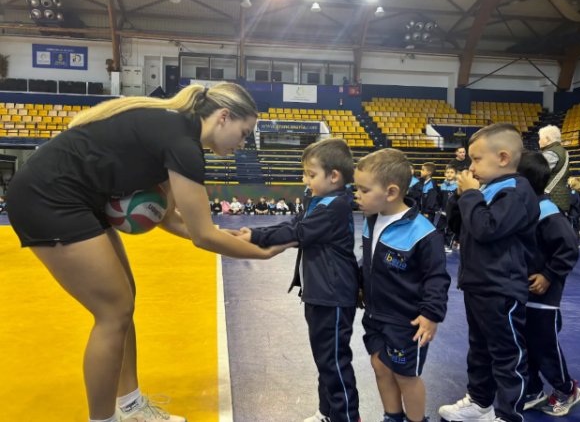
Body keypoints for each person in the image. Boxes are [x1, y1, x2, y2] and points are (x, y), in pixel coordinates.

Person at [5, 83, 292, 422]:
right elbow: (201, 236)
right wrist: (261, 253)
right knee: (113, 311)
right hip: (48, 198)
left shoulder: (175, 129)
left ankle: (130, 406)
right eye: (244, 134)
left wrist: (225, 235)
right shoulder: (183, 144)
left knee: (124, 302)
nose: (243, 144)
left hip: (75, 197)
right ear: (224, 117)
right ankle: (103, 420)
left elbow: (171, 220)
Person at [238, 138, 361, 422]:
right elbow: (293, 225)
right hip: (319, 293)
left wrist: (256, 237)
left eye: (311, 174)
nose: (305, 179)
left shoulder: (335, 206)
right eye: (304, 173)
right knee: (324, 359)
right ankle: (327, 413)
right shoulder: (317, 200)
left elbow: (300, 233)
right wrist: (256, 232)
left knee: (334, 362)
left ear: (334, 176)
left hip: (333, 296)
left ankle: (347, 417)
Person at [438, 123, 539, 422]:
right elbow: (461, 227)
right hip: (478, 284)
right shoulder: (487, 189)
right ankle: (480, 402)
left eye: (476, 159)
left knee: (507, 354)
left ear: (504, 158)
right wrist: (460, 197)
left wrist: (471, 196)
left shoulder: (516, 191)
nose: (470, 166)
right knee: (479, 348)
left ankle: (509, 415)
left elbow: (486, 228)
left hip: (502, 288)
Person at [354, 148, 450, 422]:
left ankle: (416, 420)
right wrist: (361, 284)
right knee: (379, 365)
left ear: (391, 192)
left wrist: (431, 314)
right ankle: (392, 416)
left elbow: (437, 277)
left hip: (406, 321)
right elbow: (370, 261)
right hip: (375, 315)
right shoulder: (371, 221)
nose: (356, 195)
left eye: (363, 189)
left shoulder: (423, 232)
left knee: (406, 376)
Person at [517, 151, 580, 417]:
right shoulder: (523, 207)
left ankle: (566, 389)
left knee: (544, 345)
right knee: (526, 343)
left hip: (544, 297)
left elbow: (569, 248)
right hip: (523, 291)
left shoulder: (547, 212)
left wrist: (548, 274)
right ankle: (533, 389)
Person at [538, 125, 570, 213]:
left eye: (540, 138)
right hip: (560, 196)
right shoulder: (562, 151)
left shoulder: (551, 153)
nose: (539, 141)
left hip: (552, 197)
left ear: (547, 139)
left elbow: (538, 173)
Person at [438, 165, 458, 250]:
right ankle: (442, 244)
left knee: (450, 229)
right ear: (445, 174)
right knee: (441, 228)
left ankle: (448, 245)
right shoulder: (442, 185)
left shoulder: (457, 186)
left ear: (455, 174)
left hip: (452, 212)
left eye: (452, 172)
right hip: (442, 212)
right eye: (448, 172)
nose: (449, 174)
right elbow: (439, 199)